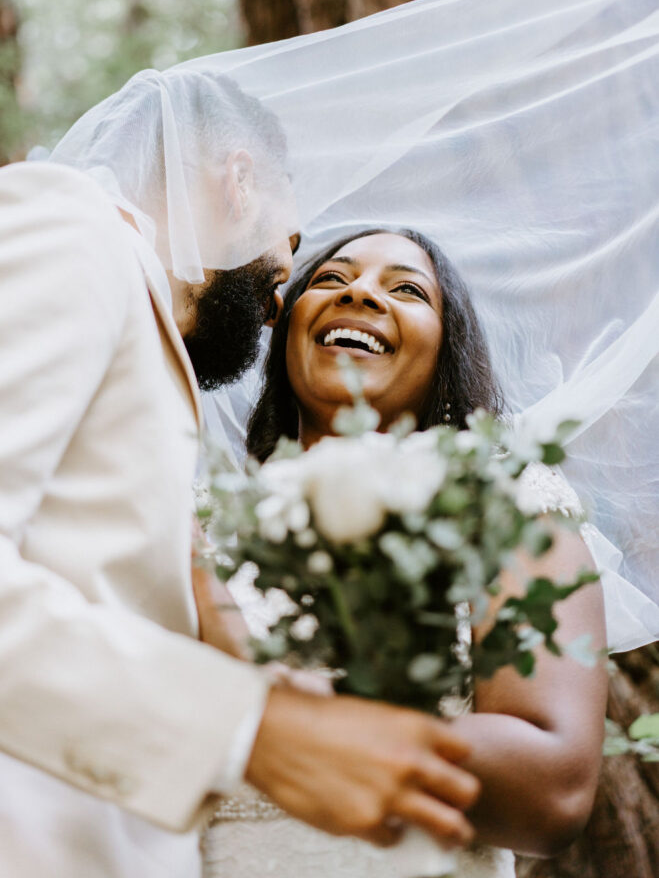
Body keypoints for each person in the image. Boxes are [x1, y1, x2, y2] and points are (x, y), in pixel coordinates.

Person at [0, 75, 481, 878]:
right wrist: (246, 732)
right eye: (296, 241)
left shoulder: (138, 324)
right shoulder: (62, 226)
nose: (282, 295)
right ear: (239, 182)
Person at [201, 228, 608, 878]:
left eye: (406, 289)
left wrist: (305, 725)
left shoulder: (501, 498)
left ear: (447, 350)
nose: (358, 291)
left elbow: (552, 790)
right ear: (285, 334)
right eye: (330, 280)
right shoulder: (202, 528)